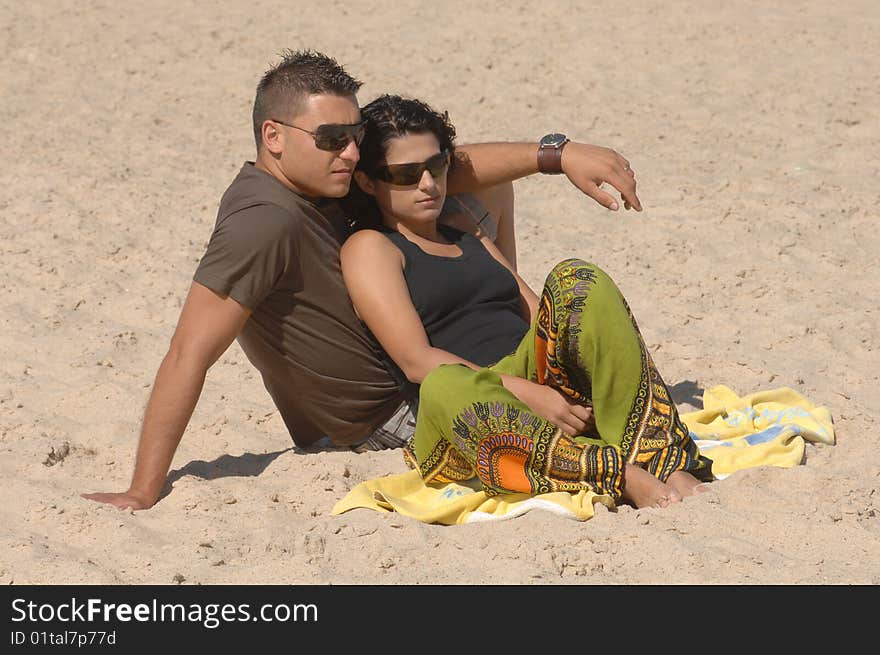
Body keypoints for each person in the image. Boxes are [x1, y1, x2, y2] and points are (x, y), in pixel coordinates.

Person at [82, 50, 642, 511]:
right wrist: (143, 489)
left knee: (478, 188)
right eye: (332, 139)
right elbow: (188, 352)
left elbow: (443, 163)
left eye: (354, 137)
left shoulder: (321, 177)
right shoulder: (263, 221)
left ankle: (519, 338)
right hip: (391, 417)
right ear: (273, 136)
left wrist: (557, 155)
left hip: (424, 373)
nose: (350, 152)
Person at [340, 95, 713, 508]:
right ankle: (618, 474)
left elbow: (538, 311)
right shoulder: (371, 248)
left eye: (437, 165)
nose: (428, 184)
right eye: (406, 174)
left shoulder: (464, 228)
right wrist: (524, 392)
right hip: (469, 405)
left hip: (531, 372)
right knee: (444, 384)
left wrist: (561, 370)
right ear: (368, 182)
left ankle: (660, 459)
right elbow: (416, 360)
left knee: (578, 280)